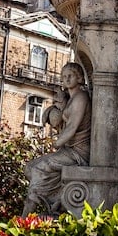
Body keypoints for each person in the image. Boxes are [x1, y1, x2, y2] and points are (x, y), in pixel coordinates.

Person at [22, 62, 91, 214]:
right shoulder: (72, 98)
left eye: (70, 76)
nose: (66, 79)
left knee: (39, 169)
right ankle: (56, 198)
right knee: (29, 168)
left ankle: (25, 218)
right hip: (69, 150)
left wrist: (57, 142)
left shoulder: (81, 97)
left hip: (78, 152)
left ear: (79, 78)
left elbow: (72, 127)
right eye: (64, 76)